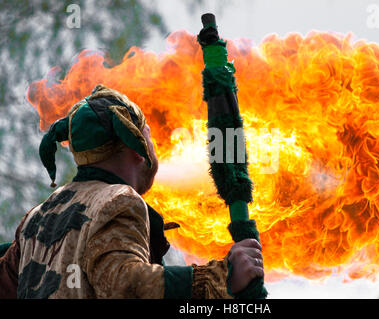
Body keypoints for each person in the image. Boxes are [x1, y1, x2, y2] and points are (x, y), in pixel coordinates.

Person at [0, 84, 264, 299]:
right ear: (137, 148)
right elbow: (124, 283)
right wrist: (220, 278)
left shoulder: (37, 215)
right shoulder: (120, 202)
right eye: (147, 134)